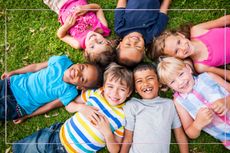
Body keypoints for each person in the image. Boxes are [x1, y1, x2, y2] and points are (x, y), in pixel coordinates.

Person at [13, 62, 134, 153]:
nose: (114, 93)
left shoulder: (123, 116)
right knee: (24, 148)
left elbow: (115, 150)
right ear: (104, 86)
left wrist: (107, 133)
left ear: (129, 93)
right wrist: (81, 108)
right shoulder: (95, 94)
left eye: (122, 89)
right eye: (110, 86)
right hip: (56, 136)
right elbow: (69, 105)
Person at [0, 55, 102, 124]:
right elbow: (36, 67)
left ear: (80, 87)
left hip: (18, 106)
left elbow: (49, 106)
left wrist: (27, 116)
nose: (78, 72)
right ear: (80, 63)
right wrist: (14, 72)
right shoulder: (62, 61)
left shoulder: (70, 92)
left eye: (82, 78)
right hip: (12, 84)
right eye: (83, 68)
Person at [157, 57, 230, 149]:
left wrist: (226, 101)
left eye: (181, 74)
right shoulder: (179, 102)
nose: (180, 82)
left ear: (188, 68)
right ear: (169, 86)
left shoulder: (208, 77)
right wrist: (198, 124)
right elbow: (190, 132)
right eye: (172, 81)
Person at [120, 63, 189, 153]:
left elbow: (179, 135)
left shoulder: (169, 104)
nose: (145, 83)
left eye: (150, 78)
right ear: (135, 89)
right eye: (139, 81)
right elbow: (128, 139)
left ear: (159, 82)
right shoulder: (132, 105)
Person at [149, 15, 230, 81]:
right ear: (176, 59)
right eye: (176, 51)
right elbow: (226, 74)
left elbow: (224, 20)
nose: (183, 48)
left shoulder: (197, 30)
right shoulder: (201, 66)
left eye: (179, 42)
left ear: (181, 35)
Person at [43, 0, 114, 66]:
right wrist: (87, 7)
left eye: (92, 47)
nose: (94, 39)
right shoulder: (102, 27)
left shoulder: (78, 43)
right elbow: (98, 8)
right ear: (107, 41)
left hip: (60, 5)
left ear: (86, 52)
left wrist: (67, 25)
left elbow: (61, 35)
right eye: (100, 42)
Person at [114, 0, 171, 67]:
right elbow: (162, 13)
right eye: (138, 47)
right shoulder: (152, 34)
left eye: (128, 44)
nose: (134, 41)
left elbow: (121, 6)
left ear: (119, 45)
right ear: (144, 50)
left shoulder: (120, 28)